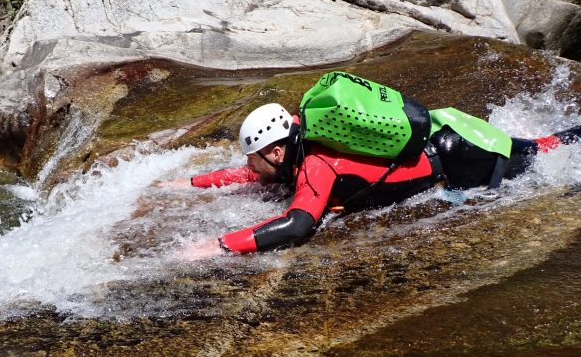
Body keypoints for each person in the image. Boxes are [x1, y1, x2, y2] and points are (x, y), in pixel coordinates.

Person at [166, 103, 581, 254]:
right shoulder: (297, 139)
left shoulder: (315, 166)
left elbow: (297, 224)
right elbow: (250, 175)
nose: (249, 167)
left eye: (253, 158)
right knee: (542, 146)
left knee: (545, 153)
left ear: (276, 151)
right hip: (446, 132)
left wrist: (219, 244)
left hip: (461, 157)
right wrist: (188, 185)